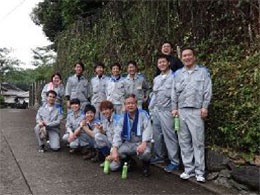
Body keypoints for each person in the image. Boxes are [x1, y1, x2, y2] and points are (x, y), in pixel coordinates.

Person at [171, 48, 212, 183]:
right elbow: (174, 92)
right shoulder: (177, 74)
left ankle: (200, 171)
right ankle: (188, 169)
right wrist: (174, 108)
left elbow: (207, 90)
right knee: (184, 141)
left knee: (198, 141)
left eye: (189, 55)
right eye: (184, 56)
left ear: (194, 57)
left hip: (196, 110)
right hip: (181, 110)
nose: (187, 57)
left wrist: (205, 107)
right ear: (181, 58)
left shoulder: (202, 72)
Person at [108, 94, 153, 177]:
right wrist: (114, 149)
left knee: (145, 153)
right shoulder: (122, 118)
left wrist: (144, 143)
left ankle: (146, 166)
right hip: (129, 142)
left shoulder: (143, 114)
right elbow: (117, 134)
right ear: (125, 105)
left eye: (132, 103)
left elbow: (148, 129)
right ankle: (130, 162)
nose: (130, 105)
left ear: (136, 104)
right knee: (118, 152)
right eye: (128, 103)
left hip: (141, 141)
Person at [149, 54, 180, 172]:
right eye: (159, 62)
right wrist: (151, 110)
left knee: (169, 136)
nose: (161, 64)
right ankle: (159, 156)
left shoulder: (174, 76)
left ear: (168, 63)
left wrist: (175, 109)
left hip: (168, 110)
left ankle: (174, 161)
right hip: (156, 110)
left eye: (163, 62)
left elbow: (175, 95)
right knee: (157, 135)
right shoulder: (156, 79)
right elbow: (154, 96)